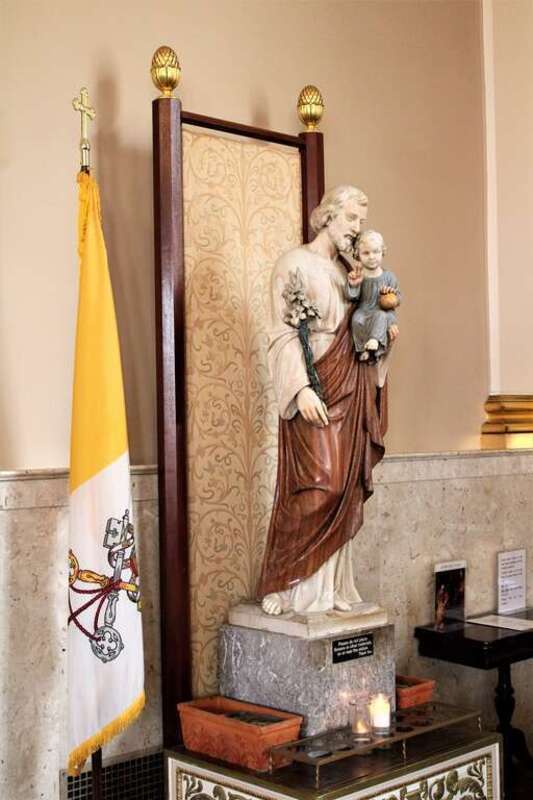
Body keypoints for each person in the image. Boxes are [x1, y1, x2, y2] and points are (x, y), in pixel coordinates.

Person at [256, 186, 392, 616]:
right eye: (351, 219)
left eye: (360, 221)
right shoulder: (294, 264)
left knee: (344, 486)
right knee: (317, 487)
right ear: (329, 216)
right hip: (315, 389)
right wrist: (299, 388)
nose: (357, 229)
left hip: (351, 388)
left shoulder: (353, 276)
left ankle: (329, 591)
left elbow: (366, 327)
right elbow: (280, 332)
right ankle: (287, 581)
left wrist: (384, 342)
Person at [346, 230, 401, 362]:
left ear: (382, 252)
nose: (371, 257)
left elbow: (397, 299)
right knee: (356, 318)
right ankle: (363, 349)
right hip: (364, 310)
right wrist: (354, 285)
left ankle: (375, 341)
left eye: (376, 252)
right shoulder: (359, 275)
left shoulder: (388, 277)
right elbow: (352, 297)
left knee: (380, 316)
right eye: (366, 253)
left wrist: (390, 294)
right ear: (357, 255)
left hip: (382, 312)